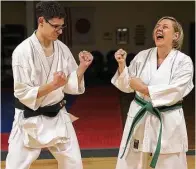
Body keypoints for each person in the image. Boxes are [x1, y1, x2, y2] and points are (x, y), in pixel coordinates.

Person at [5, 1, 93, 169]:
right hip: (29, 117)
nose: (59, 31)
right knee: (15, 166)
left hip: (57, 115)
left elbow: (70, 85)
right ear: (41, 21)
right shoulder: (22, 52)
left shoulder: (62, 48)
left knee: (73, 164)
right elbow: (22, 93)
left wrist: (82, 67)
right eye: (55, 26)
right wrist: (52, 85)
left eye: (62, 27)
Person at [112, 16, 194, 169]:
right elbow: (126, 84)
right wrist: (122, 65)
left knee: (170, 160)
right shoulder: (143, 56)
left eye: (165, 27)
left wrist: (143, 89)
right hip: (140, 113)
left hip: (167, 117)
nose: (159, 29)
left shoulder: (184, 61)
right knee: (133, 160)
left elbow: (176, 91)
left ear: (176, 36)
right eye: (157, 26)